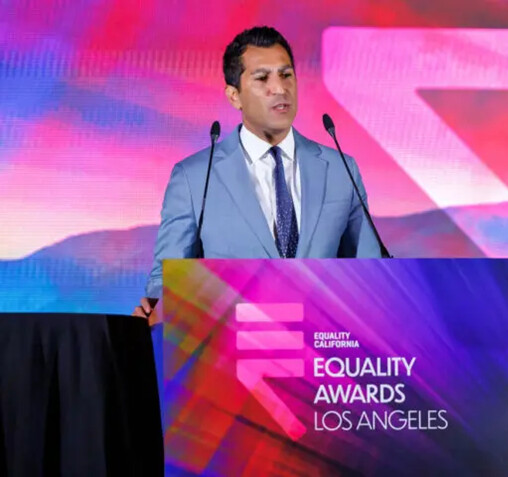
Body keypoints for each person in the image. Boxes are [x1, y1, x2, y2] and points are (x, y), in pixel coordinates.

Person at [133, 26, 380, 318]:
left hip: (322, 350)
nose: (280, 88)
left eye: (286, 75)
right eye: (262, 78)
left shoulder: (341, 168)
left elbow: (372, 273)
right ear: (234, 95)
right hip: (228, 348)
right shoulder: (194, 177)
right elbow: (166, 278)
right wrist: (160, 308)